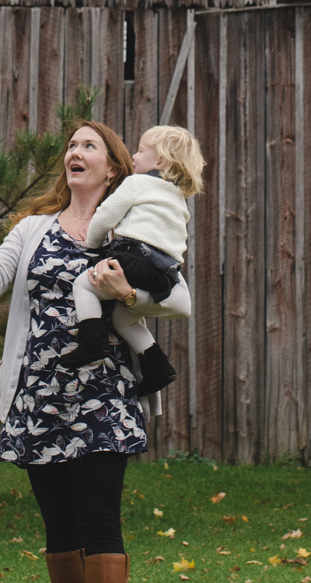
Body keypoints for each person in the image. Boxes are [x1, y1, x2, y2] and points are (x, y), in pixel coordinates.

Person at [0, 124, 193, 583]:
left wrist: (126, 295)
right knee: (59, 522)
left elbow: (178, 300)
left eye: (88, 145)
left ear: (114, 167)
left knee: (98, 517)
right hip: (40, 394)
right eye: (70, 145)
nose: (75, 152)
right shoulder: (34, 228)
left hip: (101, 395)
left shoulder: (131, 230)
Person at [57, 125, 207, 398]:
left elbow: (104, 216)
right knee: (124, 318)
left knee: (84, 285)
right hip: (165, 273)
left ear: (159, 161)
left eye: (139, 151)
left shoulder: (137, 183)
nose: (133, 157)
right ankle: (157, 367)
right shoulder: (178, 198)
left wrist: (92, 242)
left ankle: (92, 341)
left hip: (135, 258)